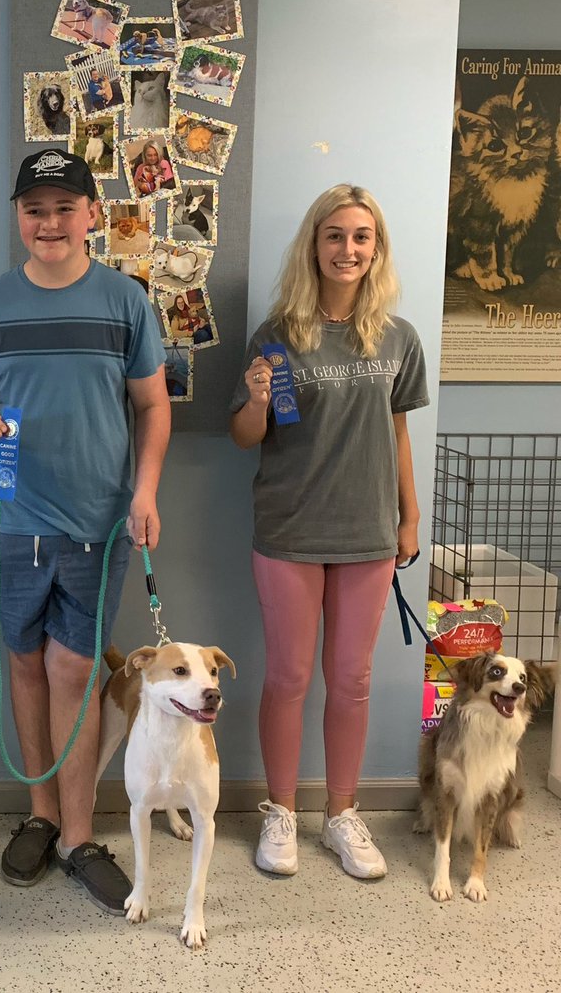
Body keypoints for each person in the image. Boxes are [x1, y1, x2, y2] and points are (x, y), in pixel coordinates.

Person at [0, 149, 170, 916]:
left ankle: (79, 835)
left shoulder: (125, 302)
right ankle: (40, 815)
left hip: (97, 523)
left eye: (64, 208)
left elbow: (153, 406)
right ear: (19, 216)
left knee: (74, 670)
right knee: (25, 666)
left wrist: (145, 490)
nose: (49, 223)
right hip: (9, 520)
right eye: (34, 209)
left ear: (92, 215)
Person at [228, 184, 428, 880]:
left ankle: (342, 813)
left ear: (376, 248)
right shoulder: (277, 335)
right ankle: (280, 811)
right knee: (288, 676)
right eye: (335, 235)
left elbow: (399, 433)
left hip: (368, 534)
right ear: (314, 245)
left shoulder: (398, 337)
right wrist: (257, 399)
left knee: (352, 678)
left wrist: (409, 516)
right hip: (289, 530)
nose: (348, 249)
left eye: (361, 236)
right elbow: (245, 436)